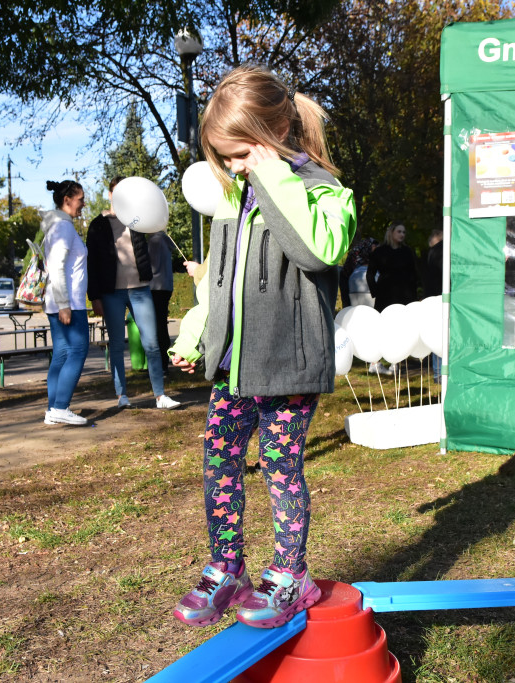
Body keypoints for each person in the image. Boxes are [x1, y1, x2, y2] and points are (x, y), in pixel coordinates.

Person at [169, 65, 356, 629]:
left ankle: (290, 574)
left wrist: (275, 178)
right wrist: (196, 333)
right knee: (220, 457)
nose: (233, 166)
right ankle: (228, 566)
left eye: (242, 152)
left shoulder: (325, 191)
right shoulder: (235, 199)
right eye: (225, 157)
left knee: (279, 464)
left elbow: (319, 252)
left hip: (288, 365)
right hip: (234, 365)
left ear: (275, 134)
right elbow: (218, 282)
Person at [87, 176, 180, 410]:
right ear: (110, 195)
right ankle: (122, 396)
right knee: (117, 345)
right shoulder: (98, 224)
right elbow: (93, 263)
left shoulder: (137, 219)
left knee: (151, 343)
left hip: (139, 289)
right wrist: (94, 297)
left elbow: (158, 229)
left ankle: (160, 395)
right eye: (118, 193)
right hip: (112, 293)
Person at [42, 179, 91, 426]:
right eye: (80, 199)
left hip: (59, 301)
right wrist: (64, 304)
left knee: (61, 353)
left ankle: (53, 410)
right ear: (67, 200)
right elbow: (58, 266)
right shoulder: (63, 227)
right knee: (79, 350)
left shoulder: (58, 226)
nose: (83, 203)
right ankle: (60, 407)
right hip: (67, 303)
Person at [366, 223, 420, 312]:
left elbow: (413, 273)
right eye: (399, 232)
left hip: (405, 294)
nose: (402, 234)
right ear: (391, 232)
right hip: (385, 294)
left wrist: (413, 294)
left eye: (404, 232)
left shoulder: (407, 251)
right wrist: (376, 292)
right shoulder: (379, 251)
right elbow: (370, 274)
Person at [146, 231, 176, 372]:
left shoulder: (155, 240)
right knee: (161, 324)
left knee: (157, 326)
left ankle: (160, 364)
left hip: (155, 286)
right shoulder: (164, 239)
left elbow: (152, 265)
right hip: (165, 285)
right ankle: (163, 362)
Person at [425, 227, 444, 380]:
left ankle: (438, 372)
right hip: (441, 296)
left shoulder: (432, 253)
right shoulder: (442, 251)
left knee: (437, 334)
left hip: (432, 297)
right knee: (442, 334)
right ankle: (439, 372)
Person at [338, 236, 378, 307]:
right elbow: (352, 270)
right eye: (374, 246)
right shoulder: (357, 253)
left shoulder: (366, 252)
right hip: (347, 278)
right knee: (349, 305)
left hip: (354, 279)